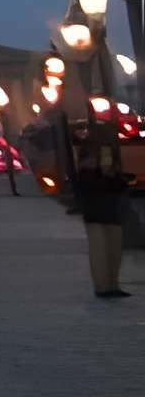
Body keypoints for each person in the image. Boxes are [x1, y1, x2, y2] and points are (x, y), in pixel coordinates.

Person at [66, 109, 130, 300]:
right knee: (109, 241)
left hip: (94, 199)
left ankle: (104, 285)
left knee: (101, 242)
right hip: (104, 198)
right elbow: (107, 173)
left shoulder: (87, 148)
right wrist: (121, 181)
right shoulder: (104, 148)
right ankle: (109, 284)